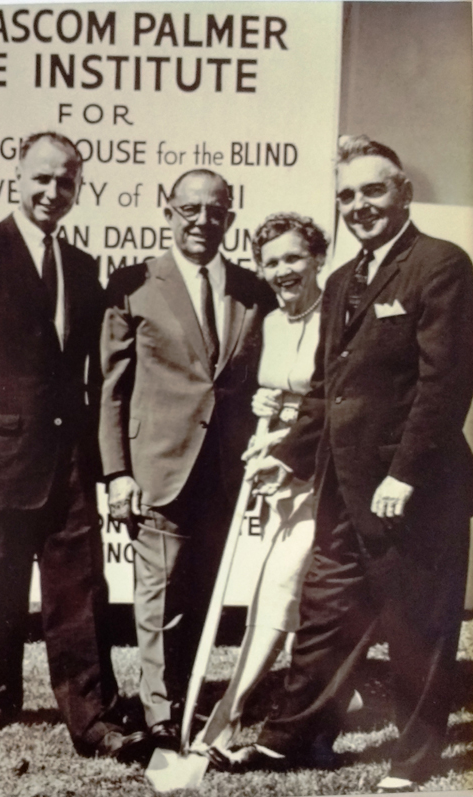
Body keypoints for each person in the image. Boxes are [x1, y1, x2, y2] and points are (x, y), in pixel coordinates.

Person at [227, 136, 473, 791]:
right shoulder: (340, 280)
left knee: (418, 622)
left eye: (373, 191)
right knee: (325, 611)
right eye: (346, 196)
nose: (359, 205)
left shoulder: (440, 264)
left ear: (403, 193)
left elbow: (444, 384)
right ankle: (292, 738)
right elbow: (324, 390)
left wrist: (405, 474)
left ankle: (415, 756)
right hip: (342, 485)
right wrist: (288, 456)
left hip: (414, 488)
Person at [0, 132, 147, 761]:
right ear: (17, 176)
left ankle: (91, 718)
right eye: (42, 178)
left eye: (67, 181)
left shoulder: (81, 266)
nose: (54, 192)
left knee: (78, 588)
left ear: (79, 187)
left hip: (67, 459)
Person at [99, 169, 275, 751]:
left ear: (230, 214)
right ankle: (159, 715)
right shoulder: (134, 284)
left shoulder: (255, 290)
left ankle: (187, 696)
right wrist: (117, 472)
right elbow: (112, 388)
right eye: (190, 209)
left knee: (201, 594)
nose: (203, 220)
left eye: (216, 210)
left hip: (225, 473)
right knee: (158, 596)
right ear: (167, 211)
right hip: (159, 468)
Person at [194, 212, 328, 756]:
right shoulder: (271, 322)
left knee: (277, 587)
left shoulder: (338, 317)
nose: (282, 270)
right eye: (270, 261)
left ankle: (228, 714)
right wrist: (263, 413)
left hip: (322, 470)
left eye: (294, 257)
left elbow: (332, 403)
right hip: (277, 469)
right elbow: (272, 392)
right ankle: (336, 698)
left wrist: (290, 443)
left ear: (318, 257)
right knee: (299, 593)